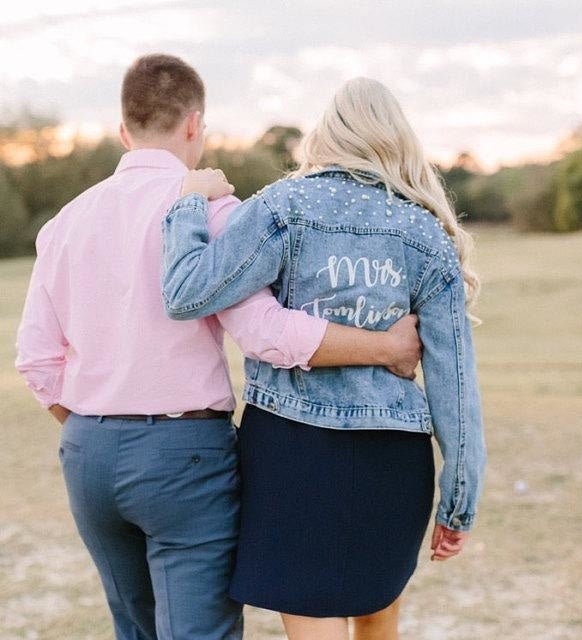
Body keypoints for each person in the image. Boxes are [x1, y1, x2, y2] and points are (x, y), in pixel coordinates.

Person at [15, 58, 422, 640]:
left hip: (87, 453)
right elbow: (265, 333)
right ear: (194, 124)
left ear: (123, 131)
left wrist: (98, 430)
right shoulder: (214, 212)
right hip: (182, 453)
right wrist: (384, 347)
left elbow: (36, 359)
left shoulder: (65, 223)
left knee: (135, 629)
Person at [162, 77, 487, 640]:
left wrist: (189, 203)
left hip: (291, 450)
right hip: (395, 455)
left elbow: (188, 291)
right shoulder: (425, 232)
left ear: (326, 135)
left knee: (312, 610)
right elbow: (456, 386)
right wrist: (459, 500)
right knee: (377, 606)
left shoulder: (284, 207)